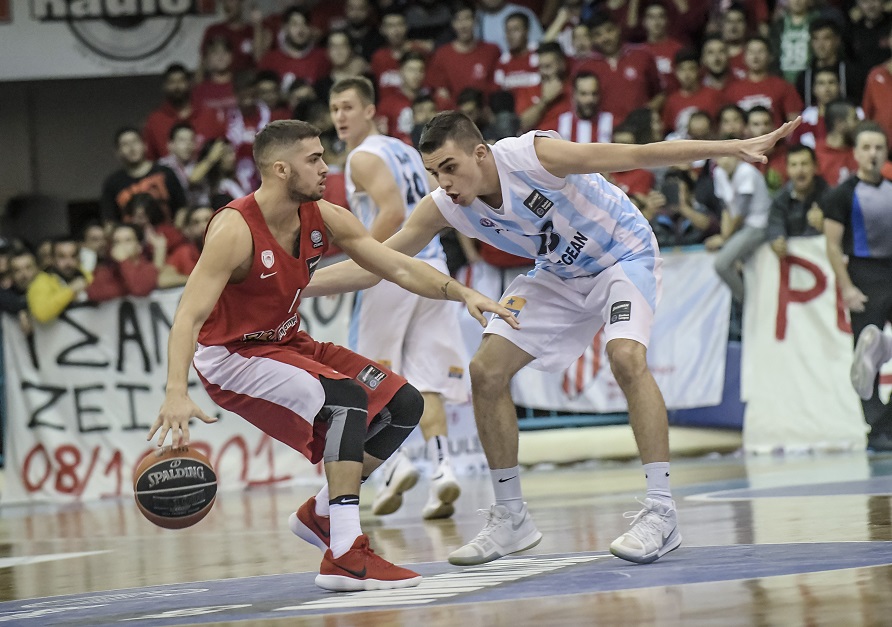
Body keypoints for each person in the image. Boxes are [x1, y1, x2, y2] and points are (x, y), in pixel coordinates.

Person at [304, 110, 800, 566]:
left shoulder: (534, 156)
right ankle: (512, 519)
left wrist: (735, 144)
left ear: (482, 153)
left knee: (626, 357)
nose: (445, 183)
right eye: (435, 172)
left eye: (450, 168)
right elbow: (375, 266)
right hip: (559, 275)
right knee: (486, 371)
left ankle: (662, 513)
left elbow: (637, 154)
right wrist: (294, 283)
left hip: (623, 255)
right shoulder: (443, 207)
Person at [146, 119, 519, 591]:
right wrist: (175, 392)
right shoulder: (234, 229)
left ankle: (322, 511)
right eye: (315, 159)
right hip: (231, 356)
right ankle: (344, 554)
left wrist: (460, 292)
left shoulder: (325, 216)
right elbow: (187, 316)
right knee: (346, 399)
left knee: (404, 404)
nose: (327, 167)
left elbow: (395, 268)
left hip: (286, 341)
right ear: (281, 170)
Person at [330, 77, 469, 520]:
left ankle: (397, 464)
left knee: (368, 376)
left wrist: (362, 259)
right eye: (334, 109)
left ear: (371, 110)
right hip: (432, 267)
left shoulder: (362, 158)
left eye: (348, 107)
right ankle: (444, 468)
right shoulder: (406, 150)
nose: (339, 117)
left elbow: (391, 212)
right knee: (428, 376)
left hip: (393, 270)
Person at [822, 122, 892, 451]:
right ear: (856, 153)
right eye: (866, 148)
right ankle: (876, 427)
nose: (873, 154)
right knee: (868, 360)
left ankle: (885, 421)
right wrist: (847, 287)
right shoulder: (841, 195)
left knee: (878, 352)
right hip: (864, 276)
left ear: (886, 152)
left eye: (878, 148)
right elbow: (833, 247)